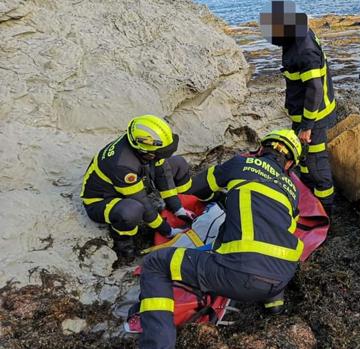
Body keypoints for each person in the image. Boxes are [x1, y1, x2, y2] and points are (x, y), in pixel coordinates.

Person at [130, 129, 304, 349]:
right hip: (282, 277)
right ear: (289, 165)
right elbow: (286, 227)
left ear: (260, 149)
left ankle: (157, 344)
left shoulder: (242, 163)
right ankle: (275, 307)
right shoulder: (293, 191)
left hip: (237, 275)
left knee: (155, 264)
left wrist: (196, 185)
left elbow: (196, 188)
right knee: (270, 241)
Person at [260, 0, 336, 214]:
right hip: (303, 114)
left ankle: (326, 212)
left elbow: (314, 90)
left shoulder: (304, 51)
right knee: (303, 159)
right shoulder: (297, 35)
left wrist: (307, 126)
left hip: (314, 117)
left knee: (317, 166)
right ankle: (308, 197)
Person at [81, 115, 195, 257]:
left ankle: (189, 203)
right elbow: (142, 203)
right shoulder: (122, 165)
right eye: (158, 153)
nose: (161, 156)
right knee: (131, 210)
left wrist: (178, 208)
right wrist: (167, 230)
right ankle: (124, 243)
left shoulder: (143, 147)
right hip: (101, 201)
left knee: (178, 163)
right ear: (144, 151)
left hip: (131, 183)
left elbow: (162, 172)